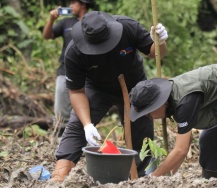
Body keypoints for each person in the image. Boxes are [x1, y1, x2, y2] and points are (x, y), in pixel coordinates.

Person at [50, 11, 168, 182]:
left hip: (134, 85)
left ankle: (141, 176)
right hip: (98, 89)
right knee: (77, 126)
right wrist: (87, 124)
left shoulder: (128, 27)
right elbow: (76, 91)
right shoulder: (74, 51)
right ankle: (59, 175)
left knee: (141, 130)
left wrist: (160, 41)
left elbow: (156, 53)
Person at [129, 64, 217, 185]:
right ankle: (213, 181)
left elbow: (180, 150)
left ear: (159, 104)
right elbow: (186, 141)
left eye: (148, 113)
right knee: (207, 139)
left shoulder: (184, 101)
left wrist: (153, 179)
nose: (149, 117)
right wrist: (168, 176)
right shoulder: (172, 100)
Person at [42, 0, 94, 134]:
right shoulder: (66, 22)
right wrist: (51, 19)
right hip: (65, 68)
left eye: (74, 3)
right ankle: (59, 136)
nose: (70, 6)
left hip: (88, 70)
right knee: (60, 105)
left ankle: (81, 135)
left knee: (86, 105)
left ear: (83, 4)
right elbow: (47, 36)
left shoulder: (94, 21)